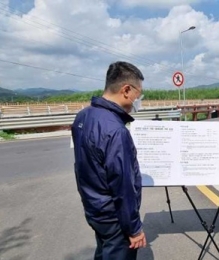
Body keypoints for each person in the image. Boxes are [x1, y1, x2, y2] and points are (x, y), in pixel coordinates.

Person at [71, 61, 146, 260]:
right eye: (139, 95)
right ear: (126, 90)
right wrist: (134, 228)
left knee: (104, 253)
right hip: (115, 218)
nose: (138, 100)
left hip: (95, 208)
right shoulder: (116, 130)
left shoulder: (83, 117)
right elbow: (122, 186)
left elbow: (81, 168)